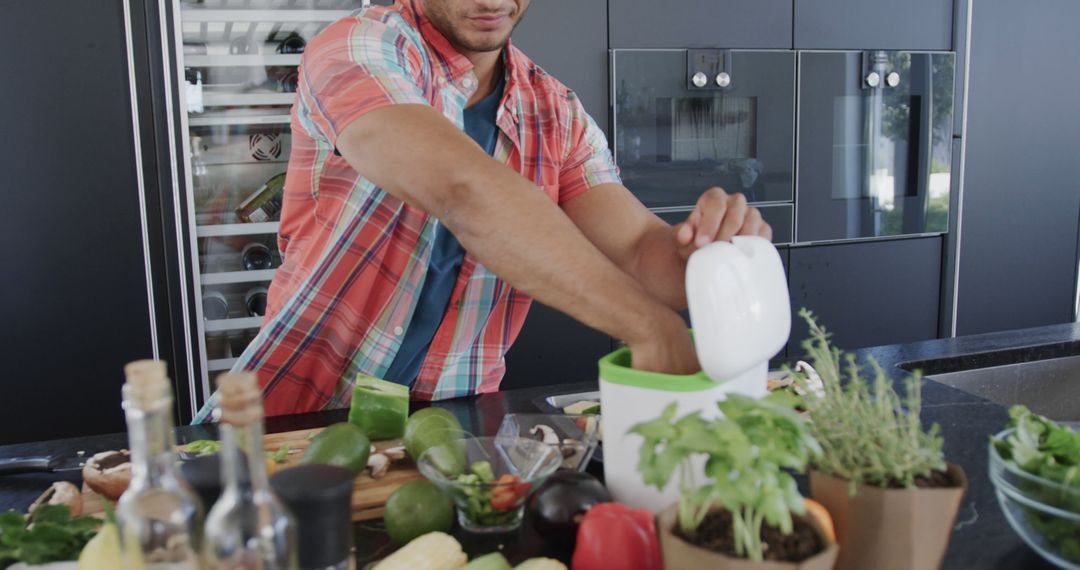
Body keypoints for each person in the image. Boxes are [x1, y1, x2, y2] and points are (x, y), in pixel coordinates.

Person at [194, 0, 772, 421]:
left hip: (451, 429)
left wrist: (712, 252)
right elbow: (463, 189)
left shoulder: (555, 112)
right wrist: (647, 326)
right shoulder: (358, 48)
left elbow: (642, 253)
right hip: (291, 414)